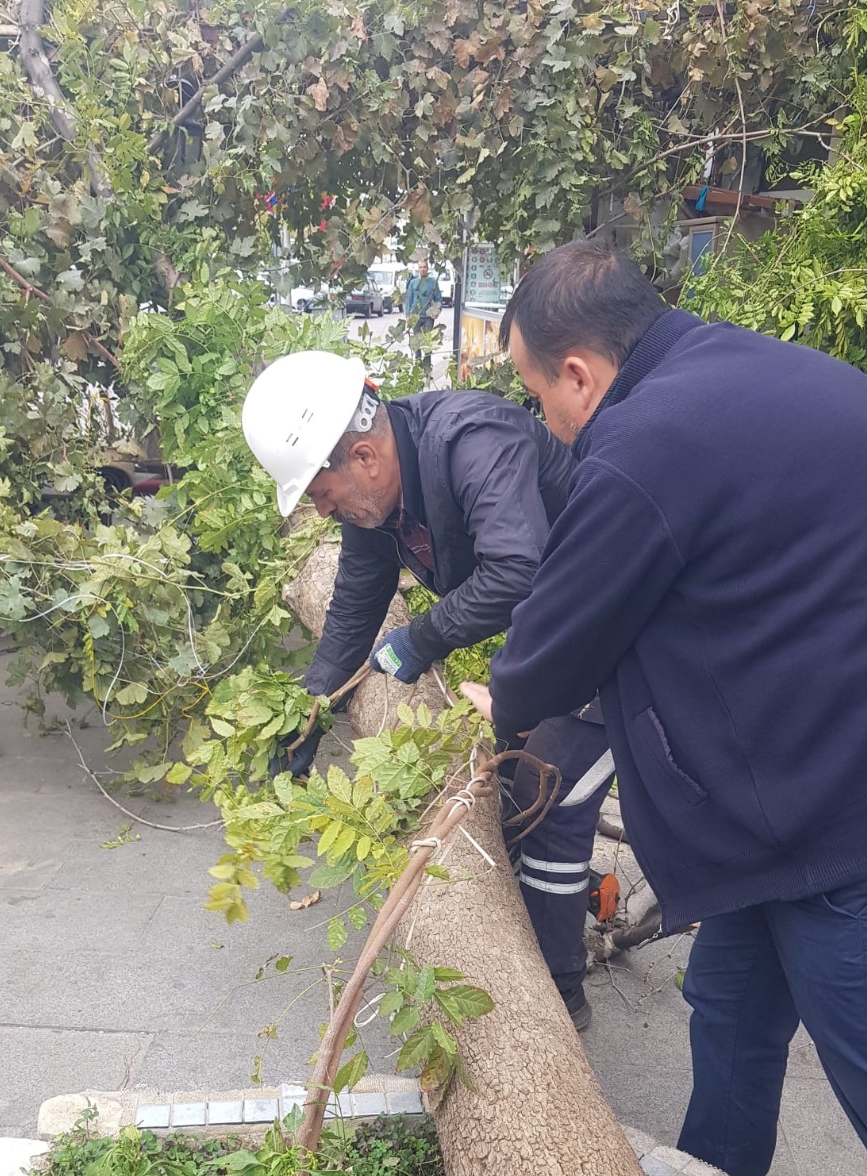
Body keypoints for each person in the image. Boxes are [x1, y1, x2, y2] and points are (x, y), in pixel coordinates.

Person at [459, 237, 867, 1176]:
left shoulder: (643, 449)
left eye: (537, 393)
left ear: (581, 374)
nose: (545, 424)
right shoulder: (768, 377)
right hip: (830, 802)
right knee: (734, 1018)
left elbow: (549, 653)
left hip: (866, 838)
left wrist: (478, 709)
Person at [241, 348, 613, 1029]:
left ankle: (559, 997)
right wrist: (311, 708)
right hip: (552, 641)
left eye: (322, 496)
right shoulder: (376, 507)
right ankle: (551, 913)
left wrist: (420, 639)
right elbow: (355, 604)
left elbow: (516, 571)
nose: (324, 514)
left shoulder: (472, 440)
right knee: (507, 782)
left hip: (617, 633)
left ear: (363, 457)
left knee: (548, 789)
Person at [405, 258, 443, 372]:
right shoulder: (413, 283)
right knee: (417, 344)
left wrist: (436, 311)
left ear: (428, 268)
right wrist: (407, 315)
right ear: (418, 269)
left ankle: (426, 369)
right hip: (415, 317)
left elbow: (439, 299)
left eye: (424, 267)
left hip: (428, 318)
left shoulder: (433, 282)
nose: (423, 269)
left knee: (427, 344)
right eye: (420, 267)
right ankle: (417, 367)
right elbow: (408, 300)